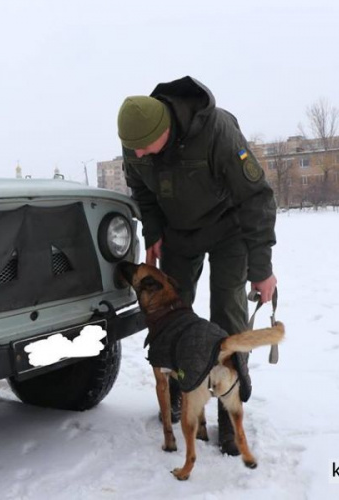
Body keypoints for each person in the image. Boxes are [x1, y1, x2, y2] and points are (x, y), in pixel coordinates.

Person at [117, 76, 277, 456]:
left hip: (229, 229)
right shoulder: (135, 143)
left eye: (144, 147)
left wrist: (262, 267)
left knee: (227, 313)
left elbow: (256, 198)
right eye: (132, 149)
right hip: (179, 234)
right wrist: (153, 229)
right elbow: (141, 189)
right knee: (172, 313)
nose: (138, 155)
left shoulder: (217, 131)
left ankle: (228, 408)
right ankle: (179, 394)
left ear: (166, 130)